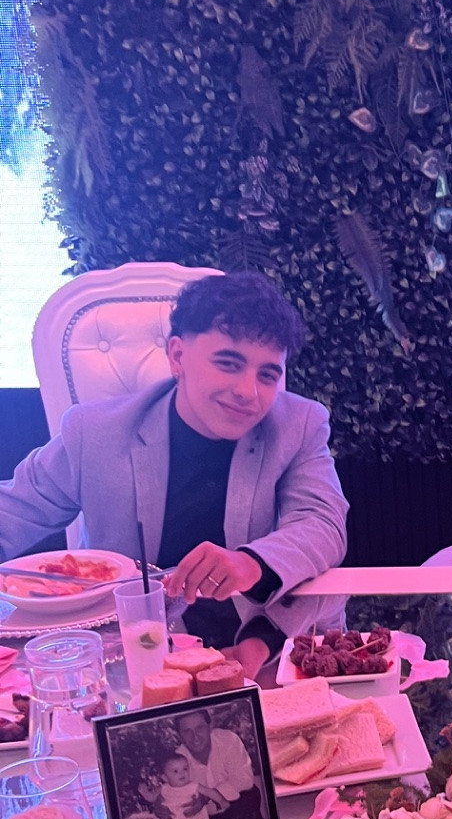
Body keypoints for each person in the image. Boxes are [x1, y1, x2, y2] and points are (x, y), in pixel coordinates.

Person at [0, 272, 348, 678]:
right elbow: (12, 512)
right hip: (130, 661)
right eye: (228, 364)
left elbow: (322, 525)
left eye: (267, 375)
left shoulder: (299, 425)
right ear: (178, 356)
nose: (248, 391)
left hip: (269, 650)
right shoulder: (93, 433)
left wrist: (250, 564)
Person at [174, 706, 268, 819]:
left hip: (238, 804)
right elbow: (177, 796)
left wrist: (206, 797)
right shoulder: (178, 759)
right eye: (187, 731)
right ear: (180, 735)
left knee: (249, 801)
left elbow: (244, 780)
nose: (195, 736)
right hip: (208, 818)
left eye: (199, 728)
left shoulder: (228, 741)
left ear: (209, 725)